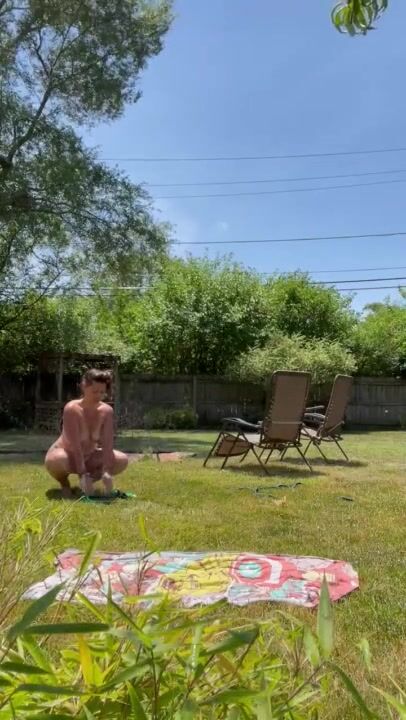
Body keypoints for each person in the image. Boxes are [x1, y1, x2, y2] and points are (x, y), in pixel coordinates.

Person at [45, 368, 128, 498]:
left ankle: (88, 483)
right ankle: (65, 484)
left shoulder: (106, 411)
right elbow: (75, 445)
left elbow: (108, 443)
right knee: (57, 459)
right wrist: (82, 473)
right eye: (94, 391)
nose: (98, 395)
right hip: (67, 455)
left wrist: (107, 471)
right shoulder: (72, 408)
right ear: (84, 387)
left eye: (102, 392)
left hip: (90, 455)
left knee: (121, 459)